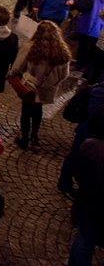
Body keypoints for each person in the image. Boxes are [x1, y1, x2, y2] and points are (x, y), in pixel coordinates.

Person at [10, 21, 72, 149]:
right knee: (38, 110)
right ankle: (34, 136)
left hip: (30, 85)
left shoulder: (31, 47)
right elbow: (65, 74)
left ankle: (25, 138)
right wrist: (52, 82)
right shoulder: (63, 52)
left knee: (26, 112)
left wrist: (14, 75)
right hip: (48, 88)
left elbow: (17, 67)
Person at [68, 110, 104, 266]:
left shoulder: (91, 146)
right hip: (93, 203)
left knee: (84, 241)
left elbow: (78, 171)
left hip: (91, 204)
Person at [71, 0, 104, 69]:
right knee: (92, 46)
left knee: (84, 45)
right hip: (99, 23)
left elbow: (83, 6)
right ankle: (85, 66)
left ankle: (79, 65)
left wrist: (74, 3)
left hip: (88, 21)